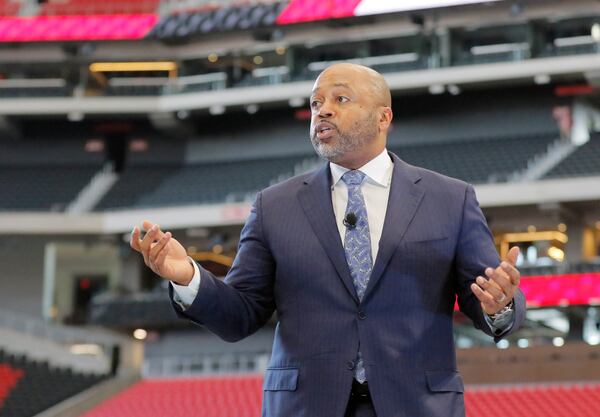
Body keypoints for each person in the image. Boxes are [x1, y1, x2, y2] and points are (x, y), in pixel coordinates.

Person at [130, 63, 526, 417]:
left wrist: (501, 304)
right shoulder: (274, 206)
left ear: (383, 116)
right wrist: (187, 277)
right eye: (316, 102)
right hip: (305, 406)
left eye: (340, 98)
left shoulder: (450, 198)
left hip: (417, 405)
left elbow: (486, 295)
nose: (324, 110)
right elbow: (241, 315)